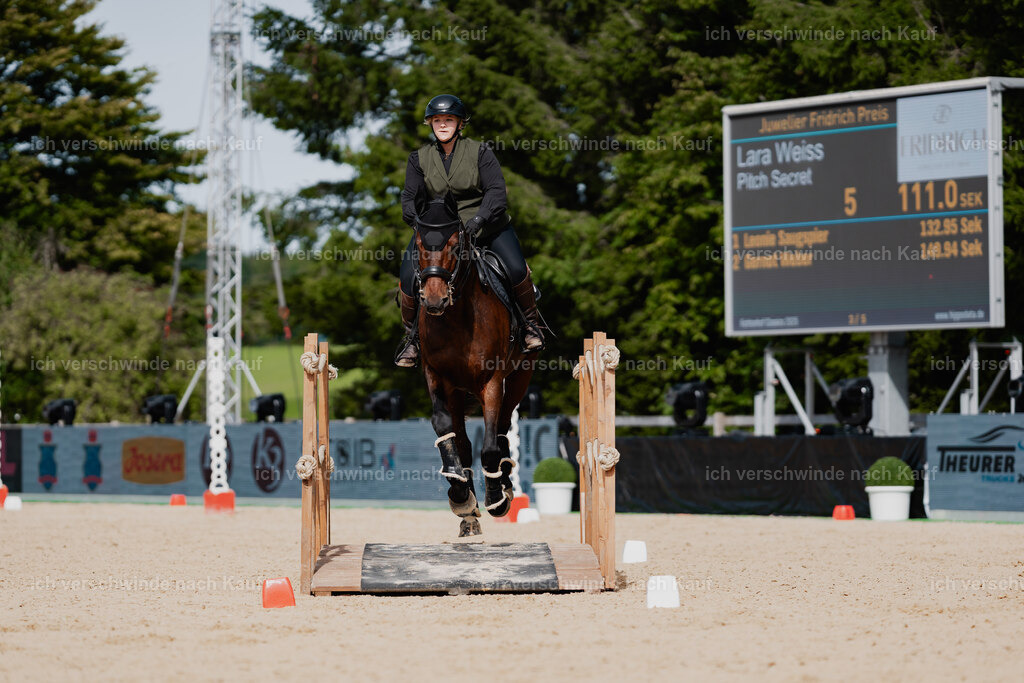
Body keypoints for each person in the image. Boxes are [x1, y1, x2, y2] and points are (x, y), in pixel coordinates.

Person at [395, 94, 544, 367]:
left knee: (515, 268)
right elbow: (409, 197)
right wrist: (415, 221)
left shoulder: (481, 152)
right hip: (438, 234)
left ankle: (529, 326)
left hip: (488, 227)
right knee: (407, 275)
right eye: (437, 120)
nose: (442, 125)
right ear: (430, 124)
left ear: (460, 124)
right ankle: (412, 339)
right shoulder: (418, 158)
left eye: (448, 120)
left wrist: (479, 220)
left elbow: (496, 192)